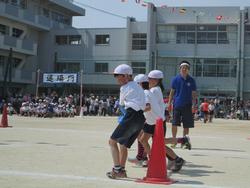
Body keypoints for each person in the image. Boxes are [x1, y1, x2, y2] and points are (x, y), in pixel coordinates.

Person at [138, 72, 187, 172]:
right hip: (153, 120)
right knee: (145, 140)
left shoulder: (154, 90)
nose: (148, 81)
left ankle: (177, 158)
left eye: (150, 79)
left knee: (159, 144)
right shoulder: (155, 89)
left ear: (156, 80)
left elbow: (150, 106)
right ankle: (180, 142)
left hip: (156, 121)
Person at [106, 64, 146, 179]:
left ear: (127, 76)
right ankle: (122, 171)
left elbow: (122, 104)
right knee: (123, 145)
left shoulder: (124, 87)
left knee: (112, 142)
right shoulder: (138, 86)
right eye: (116, 76)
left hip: (131, 115)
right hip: (140, 118)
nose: (117, 79)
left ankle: (117, 170)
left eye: (119, 76)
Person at [168, 60, 197, 149]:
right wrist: (169, 103)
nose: (184, 69)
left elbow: (194, 94)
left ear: (188, 70)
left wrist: (193, 104)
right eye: (182, 68)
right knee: (174, 124)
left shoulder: (191, 80)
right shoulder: (175, 79)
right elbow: (172, 92)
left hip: (187, 105)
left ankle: (184, 142)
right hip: (177, 104)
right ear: (180, 69)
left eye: (186, 68)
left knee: (186, 125)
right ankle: (174, 141)